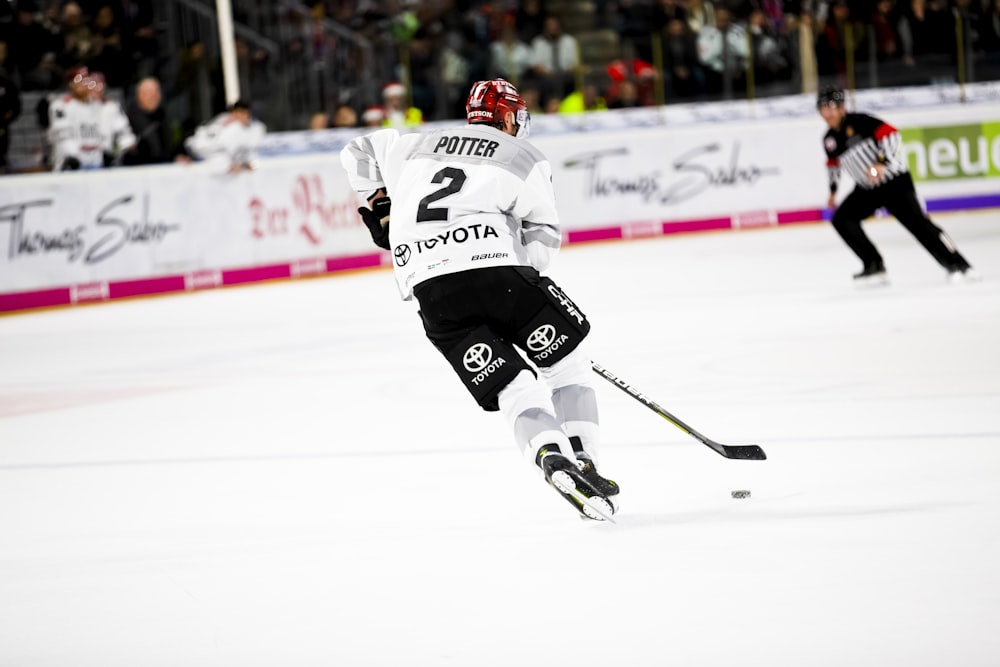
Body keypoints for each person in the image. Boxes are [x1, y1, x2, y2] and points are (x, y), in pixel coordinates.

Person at [339, 78, 618, 521]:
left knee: (512, 387)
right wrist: (523, 288)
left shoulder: (415, 143)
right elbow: (542, 241)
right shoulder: (524, 156)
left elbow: (356, 151)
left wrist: (385, 207)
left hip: (431, 291)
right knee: (566, 367)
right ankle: (584, 459)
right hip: (499, 275)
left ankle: (549, 453)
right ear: (508, 116)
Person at [817, 85, 977, 283]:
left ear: (842, 107)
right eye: (823, 108)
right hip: (868, 188)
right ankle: (874, 264)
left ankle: (959, 265)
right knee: (842, 219)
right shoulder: (829, 139)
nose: (827, 112)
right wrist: (833, 192)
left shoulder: (860, 122)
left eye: (831, 107)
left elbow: (892, 134)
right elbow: (833, 165)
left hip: (894, 182)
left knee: (918, 225)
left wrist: (881, 163)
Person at [185, 98, 265, 173]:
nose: (241, 116)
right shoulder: (222, 124)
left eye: (244, 113)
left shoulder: (256, 128)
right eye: (237, 113)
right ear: (233, 113)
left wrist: (246, 164)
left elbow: (251, 151)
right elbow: (206, 146)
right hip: (203, 156)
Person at [46, 66, 104, 170]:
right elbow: (62, 135)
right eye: (78, 80)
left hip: (95, 160)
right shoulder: (60, 106)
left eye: (85, 80)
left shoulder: (97, 105)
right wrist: (72, 155)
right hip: (71, 162)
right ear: (71, 84)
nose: (83, 84)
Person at [123, 76, 181, 165]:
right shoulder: (126, 120)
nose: (152, 96)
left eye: (156, 92)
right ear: (139, 96)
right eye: (148, 93)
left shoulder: (163, 116)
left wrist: (177, 156)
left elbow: (171, 146)